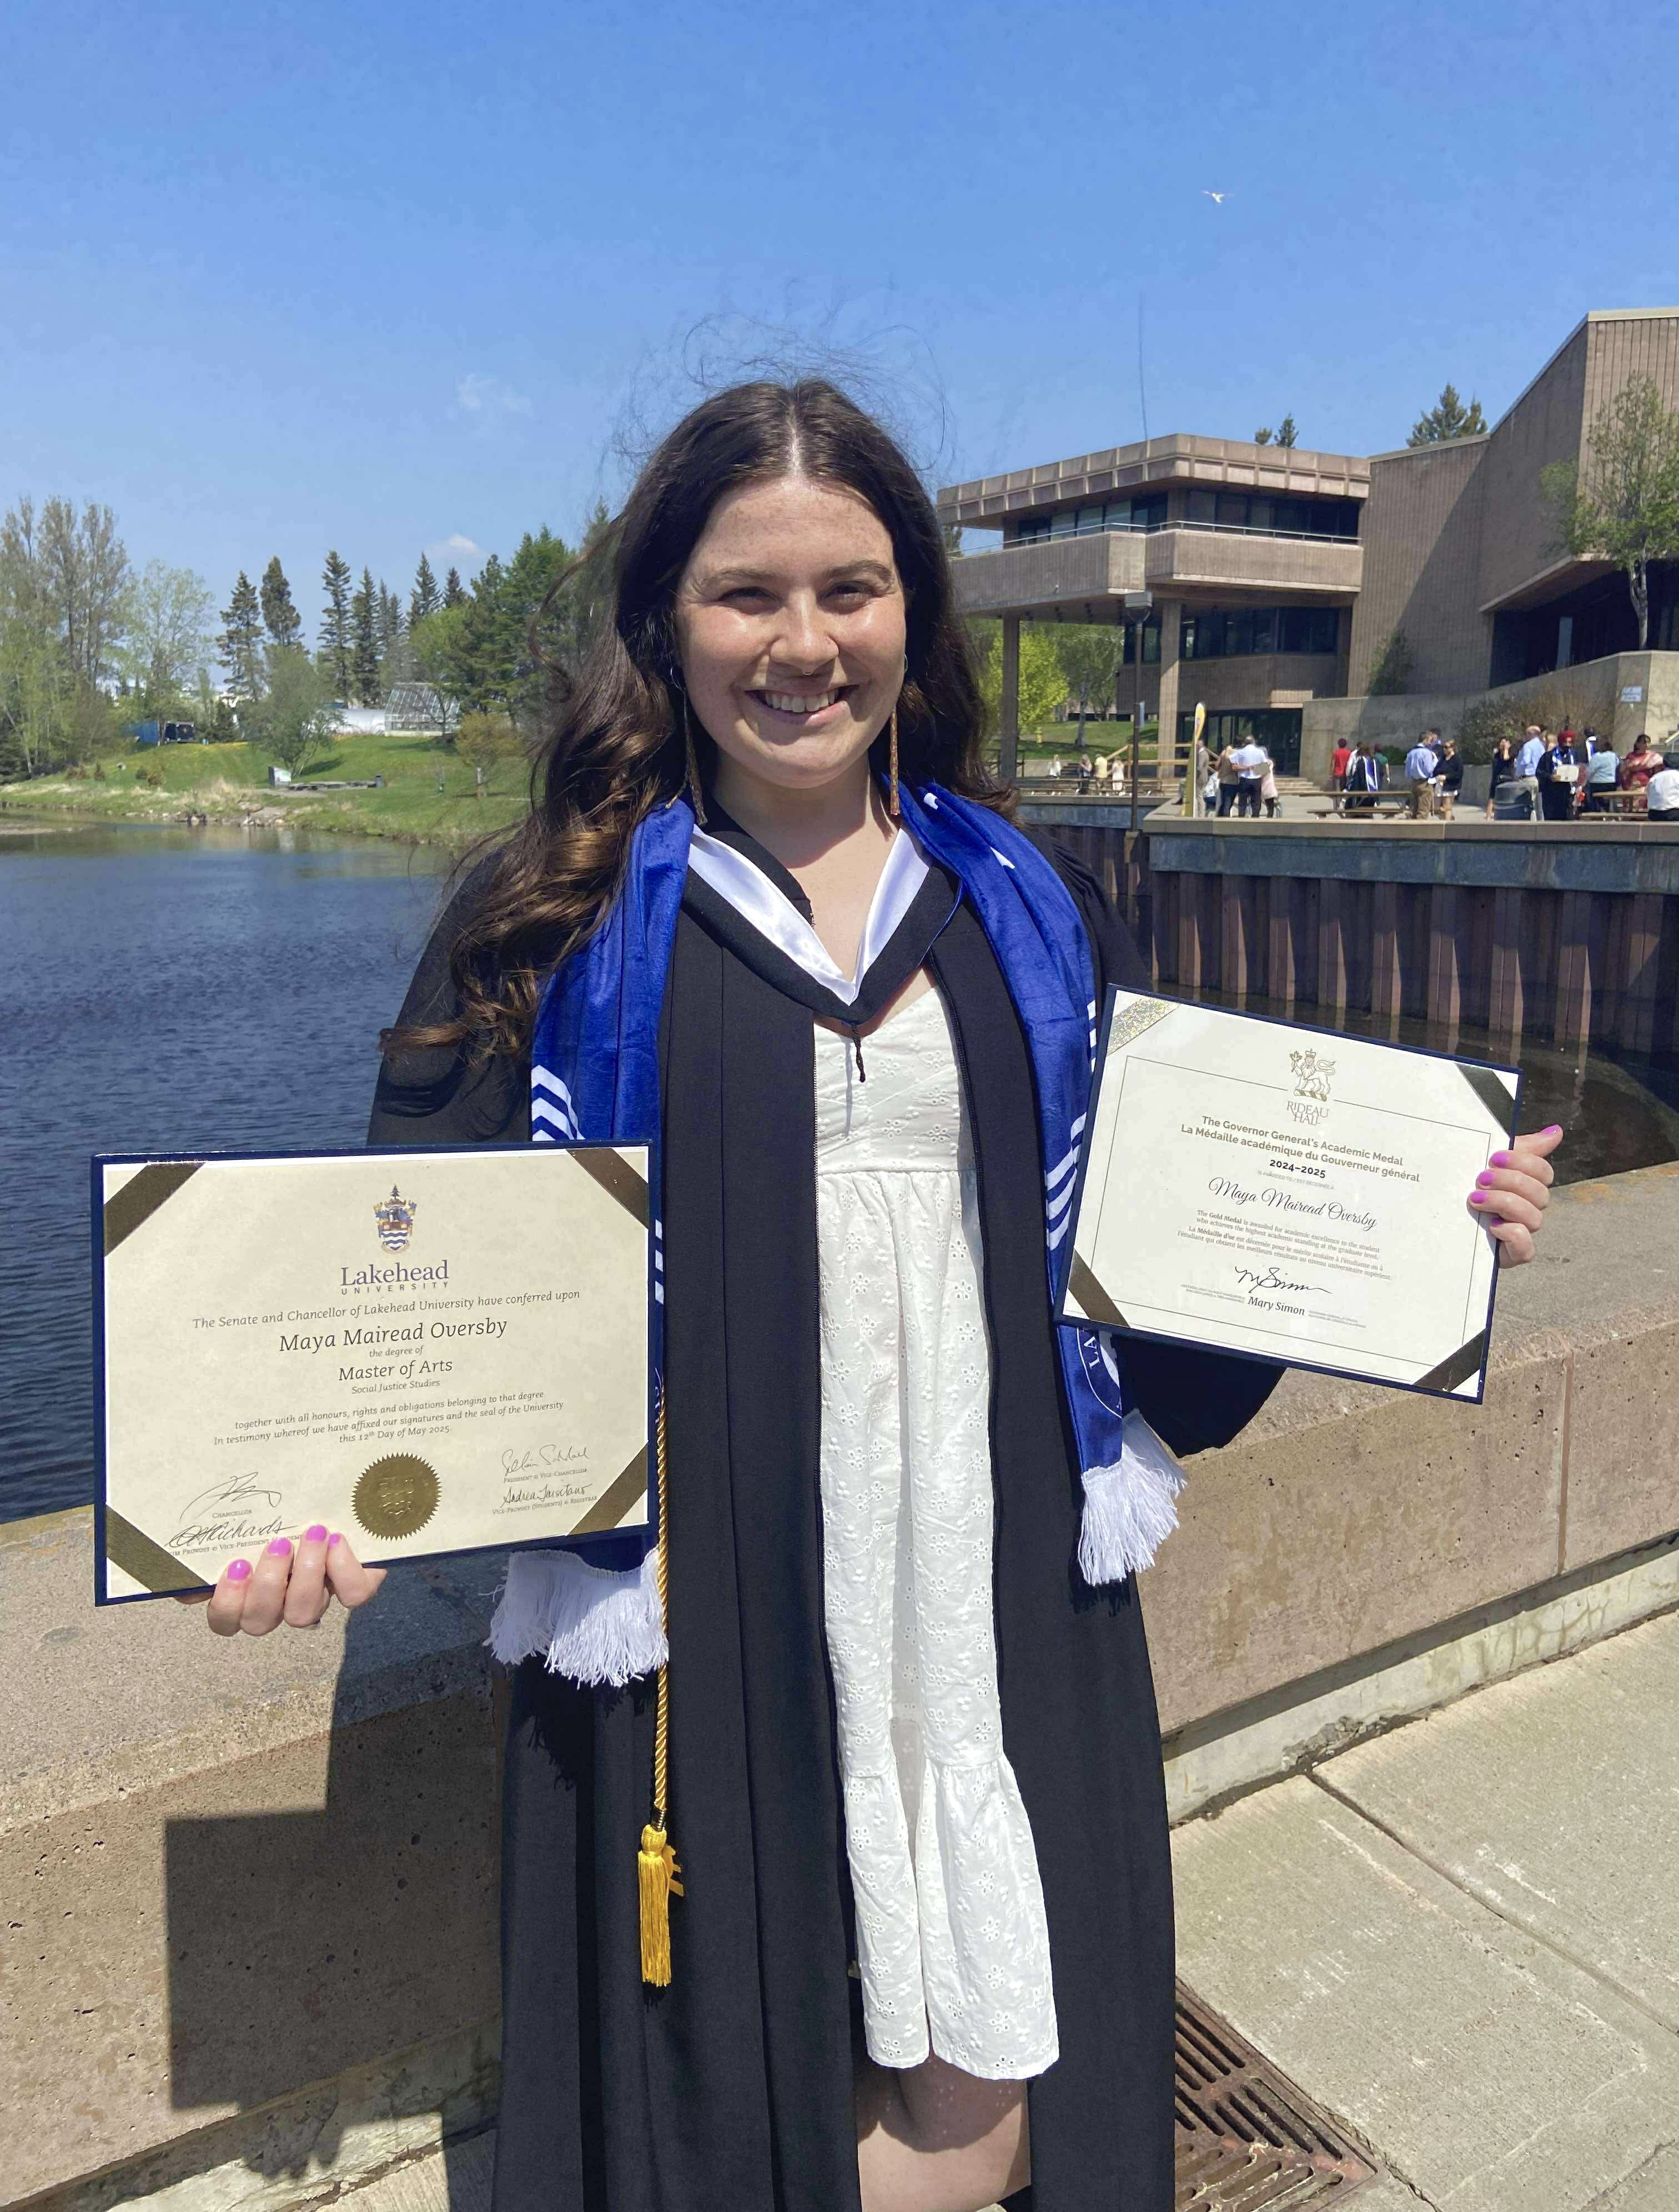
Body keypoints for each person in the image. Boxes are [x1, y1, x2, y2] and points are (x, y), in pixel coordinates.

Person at [182, 378, 1563, 2212]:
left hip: (985, 1597)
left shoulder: (1028, 909)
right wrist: (316, 1500)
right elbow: (404, 1283)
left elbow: (1154, 1265)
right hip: (705, 1607)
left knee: (996, 2098)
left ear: (913, 605)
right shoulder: (555, 924)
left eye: (852, 587)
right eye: (746, 594)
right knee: (715, 2097)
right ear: (663, 625)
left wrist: (1412, 1223)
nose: (804, 644)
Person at [1537, 728, 1579, 821]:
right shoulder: (1548, 756)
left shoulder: (1573, 756)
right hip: (1552, 794)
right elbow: (1539, 772)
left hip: (1567, 793)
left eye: (1570, 742)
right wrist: (1550, 777)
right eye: (1565, 742)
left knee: (1568, 820)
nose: (1568, 745)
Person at [1511, 722, 1545, 818]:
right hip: (1538, 778)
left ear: (1531, 734)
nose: (1525, 736)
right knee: (1540, 807)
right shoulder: (1541, 746)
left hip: (1528, 778)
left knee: (1529, 805)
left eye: (1527, 734)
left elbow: (1525, 761)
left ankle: (1532, 827)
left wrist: (1517, 771)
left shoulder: (1528, 746)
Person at [1404, 730, 1439, 819]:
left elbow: (1407, 772)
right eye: (1430, 741)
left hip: (1414, 783)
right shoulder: (1426, 753)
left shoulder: (1411, 753)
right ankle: (1421, 831)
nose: (1431, 743)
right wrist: (1435, 761)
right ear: (1425, 740)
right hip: (1425, 783)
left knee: (1414, 810)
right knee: (1423, 811)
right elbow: (1429, 770)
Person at [1620, 733, 1665, 801]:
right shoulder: (1631, 756)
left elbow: (1659, 771)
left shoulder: (1653, 757)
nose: (1646, 744)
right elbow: (1625, 770)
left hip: (1647, 786)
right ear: (1638, 744)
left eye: (1648, 742)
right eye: (1644, 742)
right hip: (1633, 786)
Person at [1230, 732, 1265, 816]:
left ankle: (1241, 820)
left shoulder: (1240, 752)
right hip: (1256, 779)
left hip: (1244, 780)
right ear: (1254, 742)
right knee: (1256, 803)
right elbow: (1264, 768)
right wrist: (1255, 770)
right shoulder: (1260, 752)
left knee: (1242, 803)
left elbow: (1234, 767)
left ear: (1244, 743)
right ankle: (1255, 819)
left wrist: (1246, 768)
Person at [1344, 740, 1381, 813]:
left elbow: (1358, 780)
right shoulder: (1375, 761)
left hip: (1362, 797)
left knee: (1349, 805)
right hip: (1374, 795)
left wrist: (1348, 788)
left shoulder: (1361, 763)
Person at [1585, 738, 1620, 813]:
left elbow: (1589, 771)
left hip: (1598, 784)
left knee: (1588, 790)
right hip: (1611, 784)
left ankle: (1594, 810)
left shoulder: (1597, 757)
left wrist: (1584, 782)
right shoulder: (1614, 756)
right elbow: (1617, 766)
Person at [1647, 745, 1679, 822]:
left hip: (1654, 814)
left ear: (1664, 764)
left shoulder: (1654, 778)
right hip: (1674, 813)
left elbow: (1648, 795)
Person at [1433, 737, 1463, 819]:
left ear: (1452, 748)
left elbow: (1458, 774)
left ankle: (1447, 823)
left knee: (1447, 807)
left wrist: (1446, 777)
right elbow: (1436, 770)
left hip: (1450, 786)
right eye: (1443, 747)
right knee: (1437, 808)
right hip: (1439, 784)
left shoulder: (1457, 759)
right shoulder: (1442, 759)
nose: (1444, 749)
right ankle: (1447, 819)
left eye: (1447, 747)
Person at [1486, 735, 1515, 815]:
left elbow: (1506, 759)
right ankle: (1488, 818)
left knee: (1506, 799)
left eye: (1504, 743)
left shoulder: (1511, 753)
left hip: (1507, 779)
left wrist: (1506, 749)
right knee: (1491, 799)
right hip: (1496, 779)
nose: (1502, 745)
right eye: (1501, 743)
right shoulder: (1497, 755)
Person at [1215, 742, 1240, 817]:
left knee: (1223, 803)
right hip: (1232, 782)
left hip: (1223, 781)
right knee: (1228, 805)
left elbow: (1217, 766)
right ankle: (1225, 823)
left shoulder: (1223, 752)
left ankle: (1219, 820)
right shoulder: (1238, 753)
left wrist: (1223, 769)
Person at [1330, 735, 1351, 811]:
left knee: (1336, 791)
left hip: (1337, 774)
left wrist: (1330, 774)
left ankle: (1336, 806)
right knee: (1344, 790)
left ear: (1339, 744)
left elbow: (1333, 764)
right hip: (1345, 774)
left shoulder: (1336, 753)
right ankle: (1343, 803)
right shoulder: (1349, 753)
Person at [1259, 752, 1281, 817]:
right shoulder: (1268, 764)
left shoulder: (1267, 763)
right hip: (1267, 788)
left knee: (1269, 806)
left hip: (1266, 788)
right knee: (1270, 806)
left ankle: (1269, 819)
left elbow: (1258, 775)